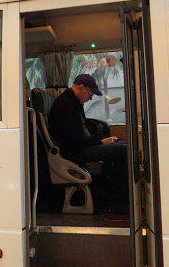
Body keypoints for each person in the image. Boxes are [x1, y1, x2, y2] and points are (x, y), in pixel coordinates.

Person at [47, 74, 128, 209]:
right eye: (90, 94)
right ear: (81, 87)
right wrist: (100, 143)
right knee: (123, 150)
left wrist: (101, 141)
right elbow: (74, 140)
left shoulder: (73, 102)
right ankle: (120, 200)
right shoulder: (65, 105)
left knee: (123, 145)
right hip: (74, 152)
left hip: (79, 147)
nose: (90, 98)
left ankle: (110, 193)